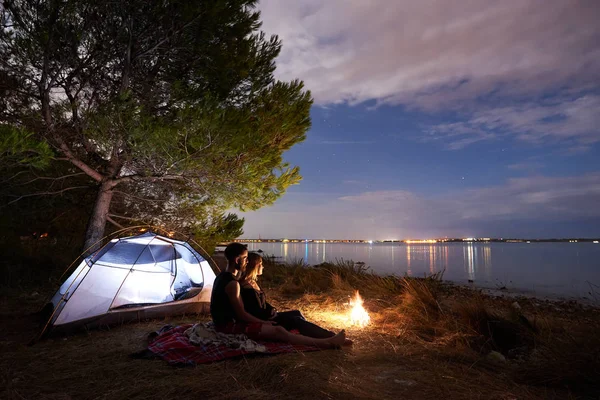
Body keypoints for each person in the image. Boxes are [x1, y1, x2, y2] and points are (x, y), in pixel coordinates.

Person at [210, 242, 347, 349]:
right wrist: (264, 322)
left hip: (223, 323)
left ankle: (329, 339)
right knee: (279, 331)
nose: (247, 262)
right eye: (245, 258)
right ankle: (326, 343)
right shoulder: (233, 284)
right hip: (227, 327)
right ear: (237, 259)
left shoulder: (221, 277)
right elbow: (241, 314)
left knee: (290, 320)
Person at [240, 252, 340, 339]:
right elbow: (253, 309)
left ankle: (308, 332)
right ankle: (330, 336)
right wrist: (270, 314)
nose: (263, 267)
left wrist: (272, 309)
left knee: (297, 312)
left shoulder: (253, 282)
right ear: (254, 266)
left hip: (269, 315)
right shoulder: (246, 287)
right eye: (260, 264)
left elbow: (262, 302)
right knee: (296, 320)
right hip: (266, 320)